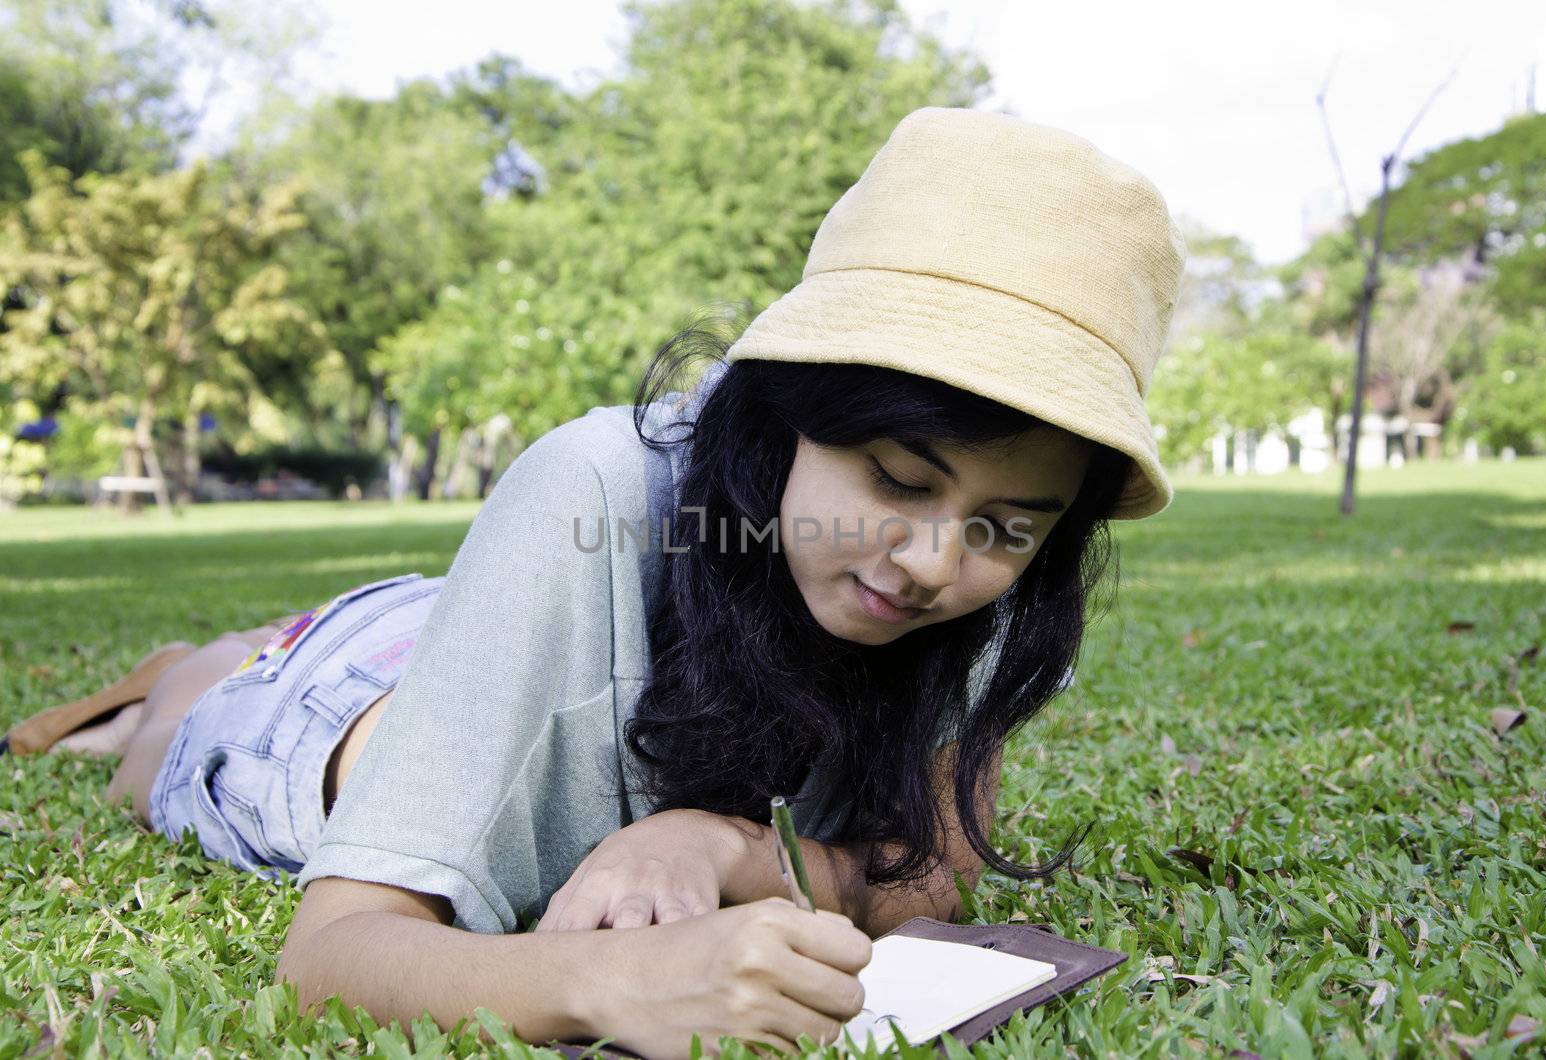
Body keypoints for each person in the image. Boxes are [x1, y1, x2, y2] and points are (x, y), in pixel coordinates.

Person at [5, 105, 1186, 1058]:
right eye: (893, 476)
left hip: (479, 647)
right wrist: (605, 980)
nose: (933, 561)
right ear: (784, 415)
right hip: (317, 728)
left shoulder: (972, 581)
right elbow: (327, 956)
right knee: (155, 756)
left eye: (1004, 524)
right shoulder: (590, 484)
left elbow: (934, 869)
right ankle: (194, 671)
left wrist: (718, 846)